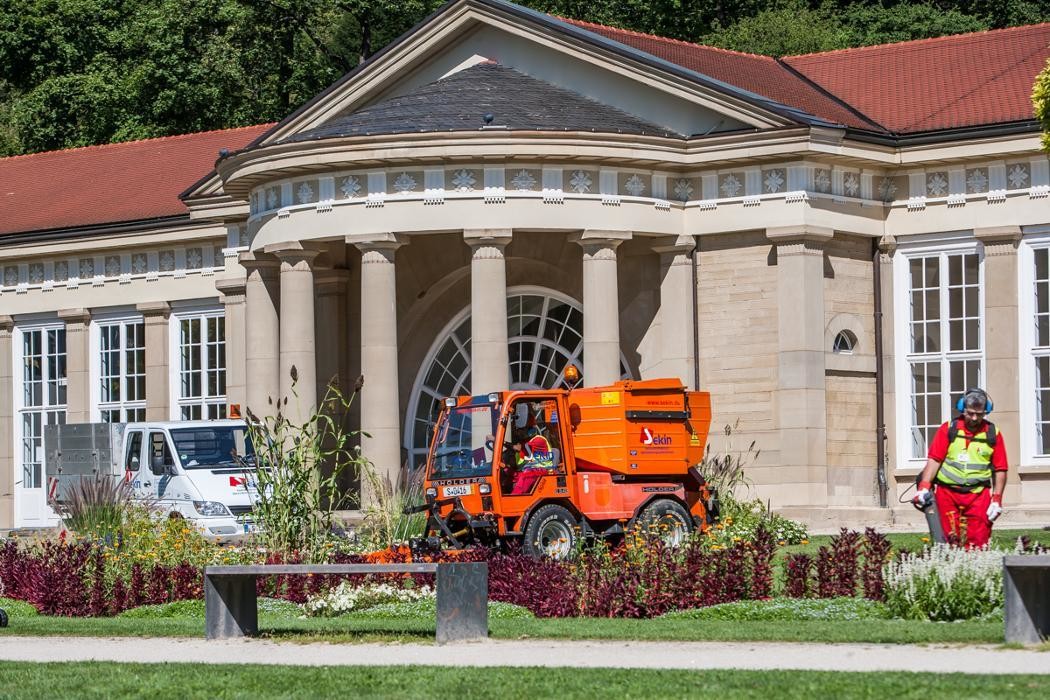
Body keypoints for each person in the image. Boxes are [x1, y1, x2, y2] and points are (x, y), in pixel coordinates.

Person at [913, 388, 1007, 547]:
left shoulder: (993, 434)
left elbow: (1000, 469)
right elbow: (934, 460)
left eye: (979, 414)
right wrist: (924, 486)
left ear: (986, 412)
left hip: (978, 495)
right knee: (950, 540)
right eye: (970, 413)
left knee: (979, 540)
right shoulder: (949, 429)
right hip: (947, 494)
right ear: (963, 409)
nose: (975, 418)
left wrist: (997, 499)